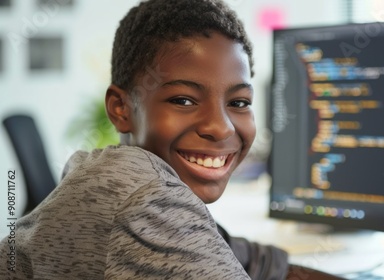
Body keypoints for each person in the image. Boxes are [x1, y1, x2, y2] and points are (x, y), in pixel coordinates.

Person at [1, 0, 341, 279]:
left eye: (238, 103)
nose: (221, 128)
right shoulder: (141, 196)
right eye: (183, 100)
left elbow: (260, 264)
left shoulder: (122, 174)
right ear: (121, 108)